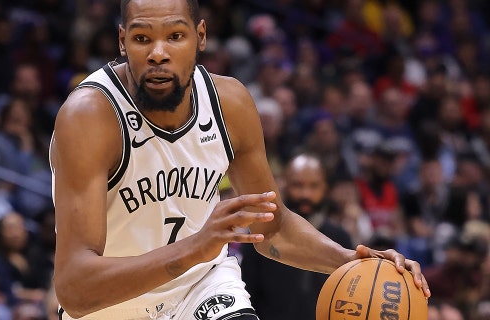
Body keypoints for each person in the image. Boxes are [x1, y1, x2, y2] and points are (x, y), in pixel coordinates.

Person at [48, 1, 431, 319]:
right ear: (122, 41)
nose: (158, 53)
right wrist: (195, 247)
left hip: (203, 287)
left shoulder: (229, 103)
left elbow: (272, 226)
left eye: (175, 36)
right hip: (110, 305)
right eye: (142, 38)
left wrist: (353, 262)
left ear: (200, 36)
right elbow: (75, 289)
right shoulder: (89, 117)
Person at [241, 154, 353, 320]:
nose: (305, 194)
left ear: (325, 188)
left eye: (314, 186)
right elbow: (247, 295)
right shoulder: (260, 235)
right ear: (284, 185)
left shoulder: (341, 237)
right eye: (297, 185)